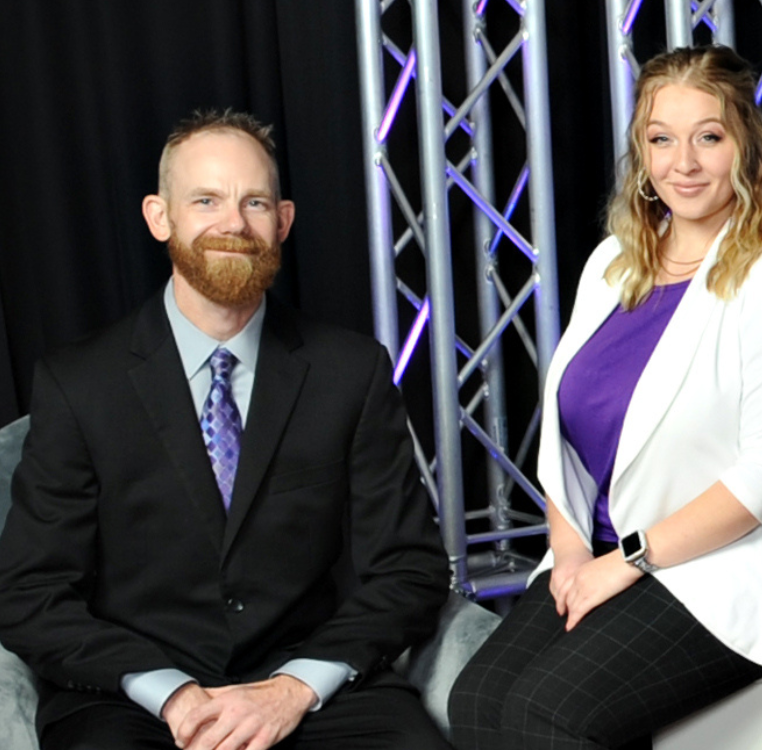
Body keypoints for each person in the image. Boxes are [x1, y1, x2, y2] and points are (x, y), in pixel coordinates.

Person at [0, 110, 450, 750]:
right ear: (160, 217)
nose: (233, 223)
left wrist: (294, 688)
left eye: (254, 202)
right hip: (133, 698)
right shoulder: (80, 384)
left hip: (311, 686)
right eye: (206, 200)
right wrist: (171, 693)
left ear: (283, 221)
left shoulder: (352, 373)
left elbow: (409, 569)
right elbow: (30, 590)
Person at [448, 45, 762, 749]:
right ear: (642, 152)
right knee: (477, 700)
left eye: (709, 137)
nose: (683, 163)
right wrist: (569, 554)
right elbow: (567, 436)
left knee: (548, 712)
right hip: (605, 548)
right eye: (662, 139)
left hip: (734, 563)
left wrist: (626, 561)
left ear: (747, 149)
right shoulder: (613, 264)